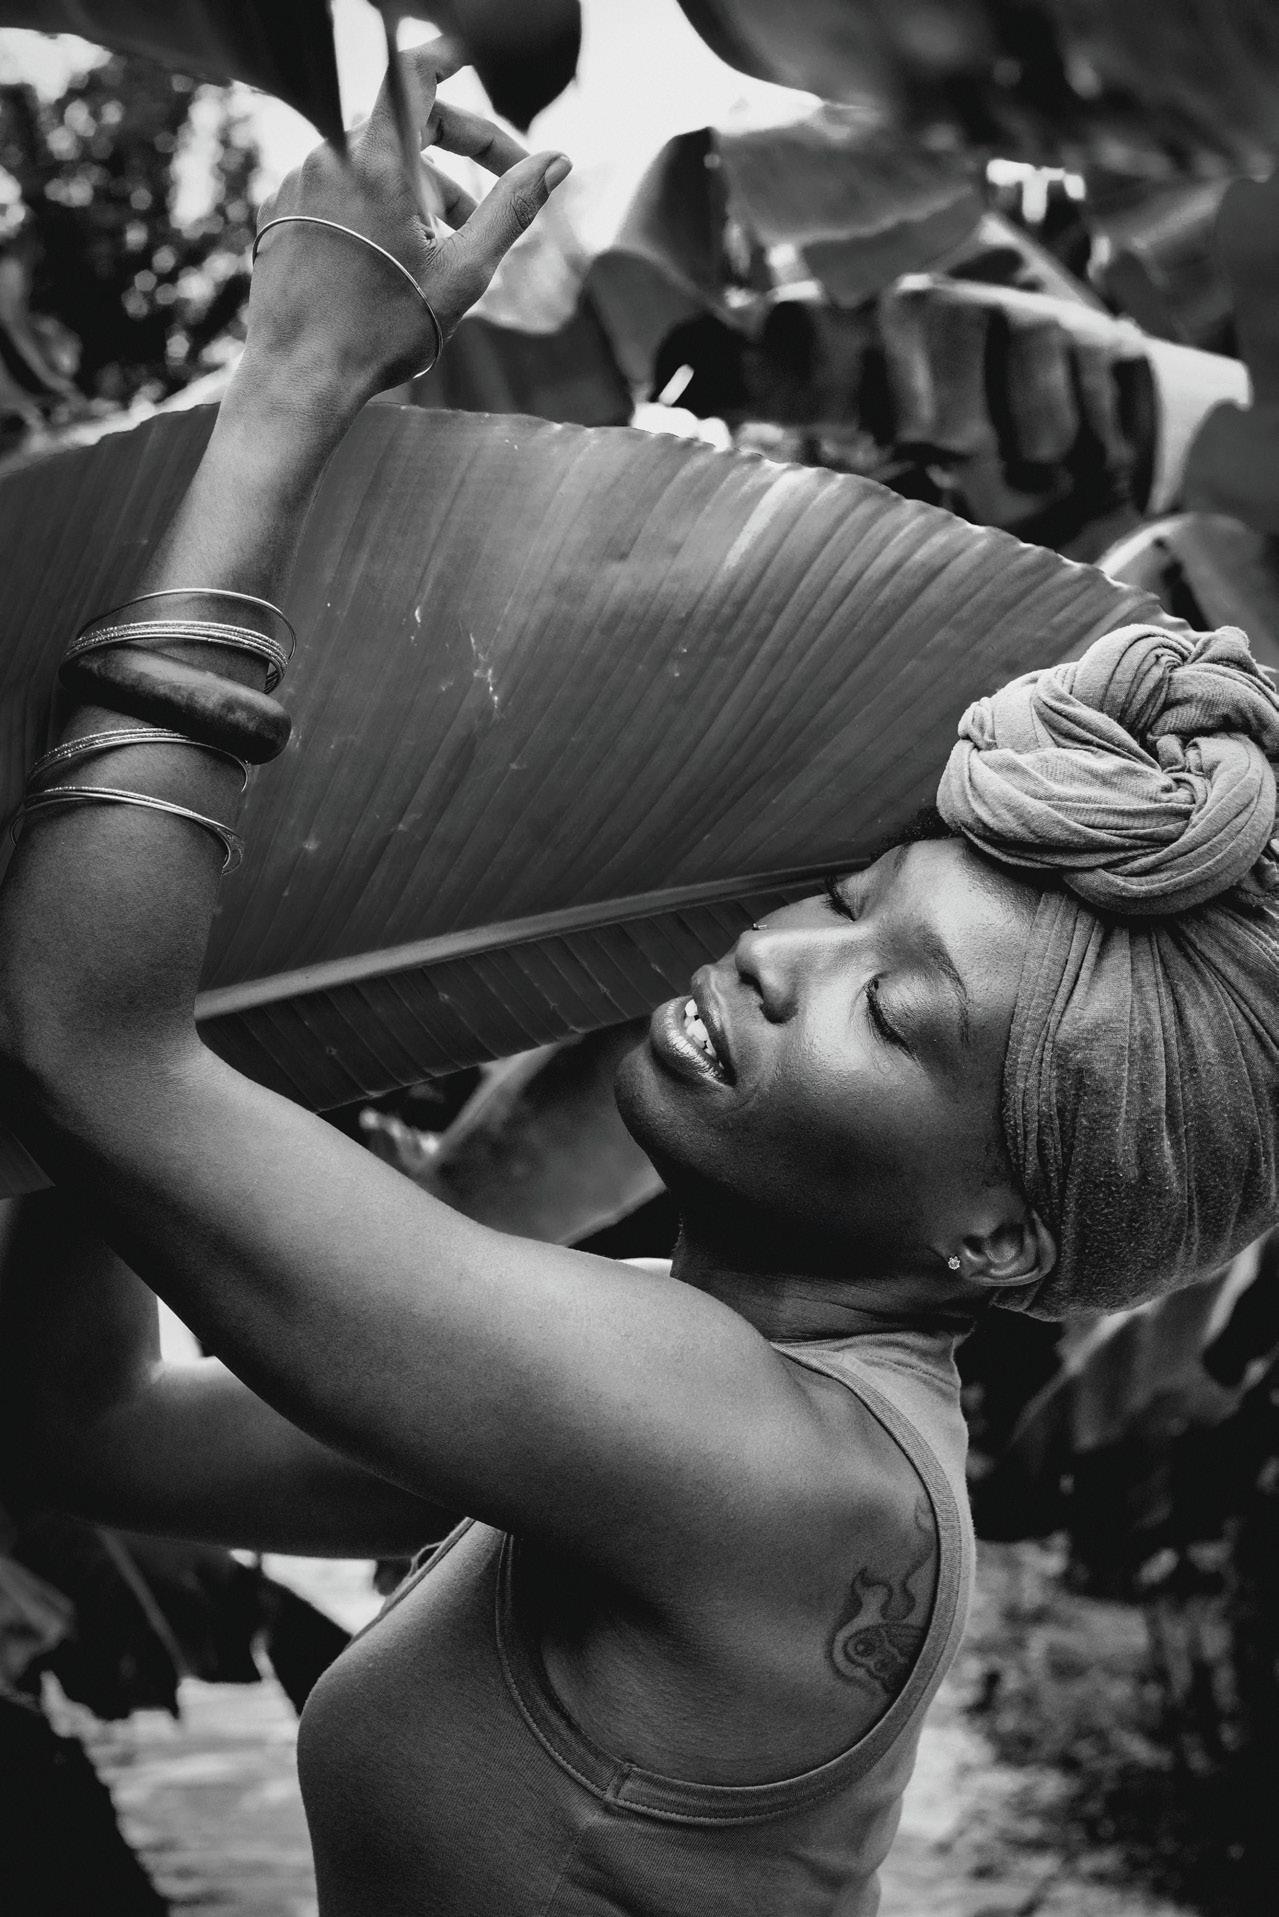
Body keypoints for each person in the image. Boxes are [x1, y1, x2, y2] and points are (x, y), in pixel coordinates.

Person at [2, 38, 1279, 1917]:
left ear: (1003, 1238)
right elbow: (86, 1418)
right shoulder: (671, 1410)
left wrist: (292, 384)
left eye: (891, 1006)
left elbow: (87, 1054)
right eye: (845, 897)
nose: (779, 958)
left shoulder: (752, 1463)